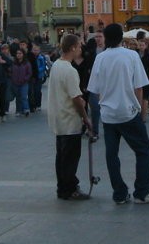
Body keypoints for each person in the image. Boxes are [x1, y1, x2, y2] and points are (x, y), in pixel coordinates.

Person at [87, 23, 149, 204]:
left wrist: (105, 102)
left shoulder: (100, 58)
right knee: (142, 149)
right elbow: (139, 87)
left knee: (111, 154)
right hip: (128, 111)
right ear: (121, 37)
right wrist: (139, 109)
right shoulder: (131, 55)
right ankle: (142, 190)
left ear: (105, 38)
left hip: (108, 115)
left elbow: (95, 89)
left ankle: (119, 193)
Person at [47, 34, 93, 200]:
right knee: (70, 158)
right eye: (79, 46)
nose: (81, 49)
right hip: (69, 119)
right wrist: (85, 118)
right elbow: (76, 98)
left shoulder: (56, 65)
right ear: (73, 47)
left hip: (58, 118)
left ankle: (62, 188)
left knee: (61, 157)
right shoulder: (70, 70)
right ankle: (70, 188)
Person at [11, 49, 32, 116]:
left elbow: (29, 73)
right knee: (18, 97)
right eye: (17, 53)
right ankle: (18, 110)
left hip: (24, 83)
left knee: (24, 96)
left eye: (20, 53)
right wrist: (13, 78)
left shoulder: (27, 63)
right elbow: (10, 71)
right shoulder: (13, 63)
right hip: (15, 83)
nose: (18, 55)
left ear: (23, 54)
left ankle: (26, 109)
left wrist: (25, 79)